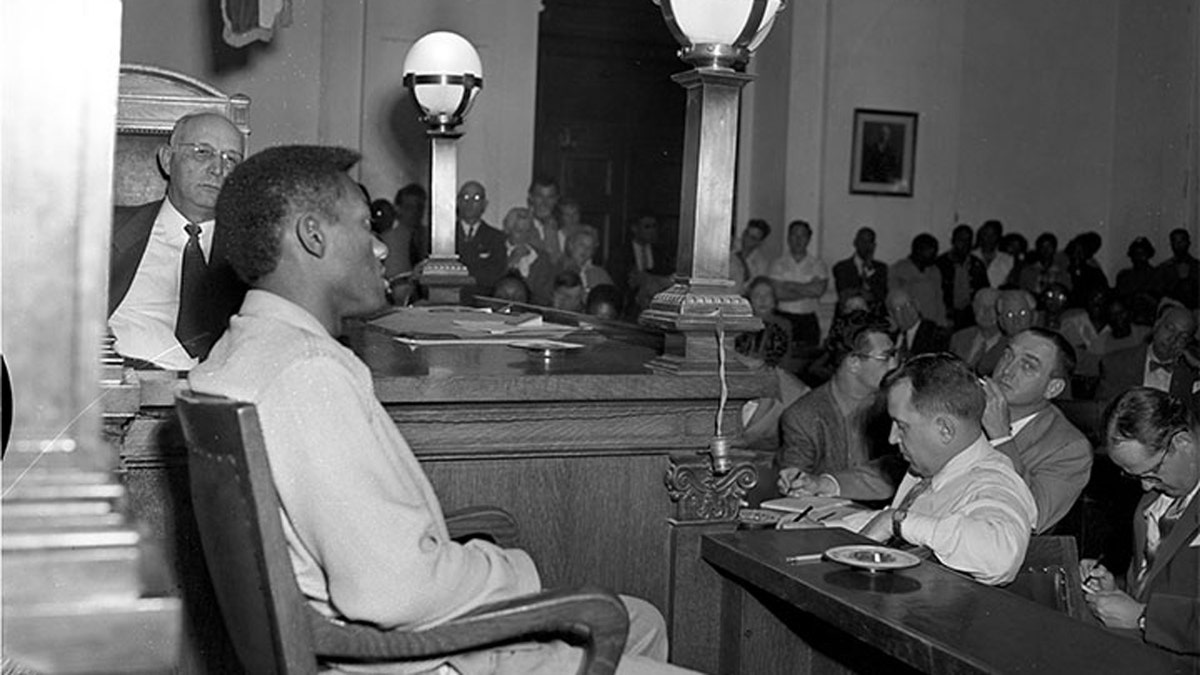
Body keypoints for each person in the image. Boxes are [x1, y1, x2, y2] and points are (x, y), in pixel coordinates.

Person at [189, 145, 693, 675]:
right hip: (420, 660)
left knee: (646, 621)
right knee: (616, 618)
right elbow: (390, 589)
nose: (382, 250)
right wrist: (514, 573)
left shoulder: (241, 350)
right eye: (365, 226)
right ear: (314, 236)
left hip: (383, 640)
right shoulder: (306, 371)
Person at [855, 353, 1037, 585]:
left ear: (945, 430)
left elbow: (1000, 556)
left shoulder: (994, 481)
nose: (892, 438)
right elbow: (882, 523)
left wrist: (897, 521)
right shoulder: (929, 469)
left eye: (902, 426)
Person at [108, 112, 248, 370]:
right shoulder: (107, 229)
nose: (218, 169)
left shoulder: (254, 252)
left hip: (212, 398)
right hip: (116, 390)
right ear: (167, 160)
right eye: (202, 152)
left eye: (231, 159)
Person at [1081, 388, 1199, 656]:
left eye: (1153, 472)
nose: (1146, 487)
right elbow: (1159, 580)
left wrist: (1144, 617)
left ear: (1183, 444)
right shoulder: (1153, 502)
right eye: (1134, 476)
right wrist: (1117, 590)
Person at [978, 328, 1093, 533]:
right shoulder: (967, 405)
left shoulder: (1071, 448)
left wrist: (1001, 437)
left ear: (1053, 388)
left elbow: (1035, 514)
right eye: (1007, 356)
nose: (1007, 370)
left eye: (1027, 366)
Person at [776, 311, 898, 493]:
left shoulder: (899, 406)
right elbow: (797, 479)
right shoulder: (802, 417)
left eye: (895, 355)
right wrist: (796, 484)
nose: (894, 365)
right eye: (886, 357)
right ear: (854, 363)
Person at [1098, 306, 1200, 408]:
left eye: (1183, 337)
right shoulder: (1117, 363)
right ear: (1156, 325)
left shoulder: (1191, 374)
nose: (1173, 339)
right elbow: (1105, 412)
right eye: (1170, 328)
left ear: (1188, 343)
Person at [769, 219, 829, 350]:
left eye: (802, 236)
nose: (798, 240)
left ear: (808, 239)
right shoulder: (777, 264)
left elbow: (818, 291)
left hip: (808, 320)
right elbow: (778, 293)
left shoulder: (818, 264)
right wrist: (808, 288)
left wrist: (790, 285)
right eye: (794, 235)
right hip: (782, 317)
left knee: (806, 362)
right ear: (788, 238)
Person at [455, 180, 507, 299]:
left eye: (476, 198)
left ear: (484, 204)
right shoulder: (445, 236)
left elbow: (495, 275)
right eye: (465, 197)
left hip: (481, 300)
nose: (470, 203)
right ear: (458, 202)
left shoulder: (496, 238)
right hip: (448, 299)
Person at [936, 224, 989, 331]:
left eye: (968, 240)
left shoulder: (977, 264)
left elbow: (984, 291)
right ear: (953, 241)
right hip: (947, 313)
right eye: (961, 240)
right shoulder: (940, 263)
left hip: (971, 314)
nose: (965, 244)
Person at [501, 207, 557, 306]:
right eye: (519, 231)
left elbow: (546, 294)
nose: (524, 236)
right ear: (507, 230)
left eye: (528, 231)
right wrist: (511, 262)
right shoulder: (497, 251)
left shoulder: (542, 258)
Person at [976, 289, 1037, 377]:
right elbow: (982, 369)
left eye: (1022, 313)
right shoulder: (1001, 347)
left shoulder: (1045, 345)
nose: (1016, 321)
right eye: (1009, 315)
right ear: (1001, 321)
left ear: (1033, 316)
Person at [890, 233, 947, 327]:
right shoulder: (898, 270)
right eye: (931, 251)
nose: (935, 254)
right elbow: (895, 301)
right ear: (918, 250)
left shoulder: (934, 271)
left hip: (934, 325)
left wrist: (942, 323)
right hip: (909, 324)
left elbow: (939, 300)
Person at [832, 226, 888, 314]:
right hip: (848, 318)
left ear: (874, 245)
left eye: (869, 242)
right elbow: (844, 293)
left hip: (875, 318)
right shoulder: (842, 267)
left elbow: (881, 295)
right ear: (855, 242)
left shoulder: (881, 268)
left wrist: (869, 269)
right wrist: (864, 292)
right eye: (862, 241)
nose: (866, 245)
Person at [887, 287, 948, 361]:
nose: (905, 311)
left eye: (908, 305)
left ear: (917, 305)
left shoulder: (934, 334)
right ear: (891, 314)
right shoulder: (891, 339)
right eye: (898, 309)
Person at [950, 288, 1002, 371]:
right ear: (974, 309)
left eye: (992, 307)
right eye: (981, 306)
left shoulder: (1008, 345)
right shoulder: (959, 338)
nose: (986, 312)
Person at [562, 226, 614, 295]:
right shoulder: (559, 267)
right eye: (582, 245)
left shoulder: (600, 274)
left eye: (590, 247)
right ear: (571, 245)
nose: (585, 250)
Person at [1064, 232, 1109, 310]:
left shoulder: (1094, 271)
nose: (1077, 255)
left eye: (1080, 252)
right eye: (1076, 250)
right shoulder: (1060, 263)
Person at [1018, 232, 1071, 297]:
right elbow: (1022, 291)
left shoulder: (1063, 271)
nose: (1046, 250)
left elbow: (1067, 290)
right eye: (1042, 247)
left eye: (1049, 246)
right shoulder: (1028, 271)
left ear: (1054, 249)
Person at [527, 174, 565, 264]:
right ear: (531, 197)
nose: (544, 203)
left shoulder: (564, 231)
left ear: (556, 199)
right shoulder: (521, 227)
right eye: (539, 196)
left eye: (550, 197)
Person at [1157, 228, 1199, 309]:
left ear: (1188, 243)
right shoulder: (1164, 268)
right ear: (1171, 244)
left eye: (1182, 241)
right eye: (1175, 241)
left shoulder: (1197, 266)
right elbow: (1159, 293)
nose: (1178, 245)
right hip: (1172, 309)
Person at [1114, 236, 1160, 306]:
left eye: (1142, 254)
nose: (1138, 257)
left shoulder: (1158, 274)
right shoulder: (1124, 276)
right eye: (1135, 254)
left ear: (1149, 255)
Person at [976, 219, 1014, 289]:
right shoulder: (971, 256)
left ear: (999, 237)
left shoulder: (1008, 259)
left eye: (993, 235)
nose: (989, 238)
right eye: (985, 234)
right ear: (980, 235)